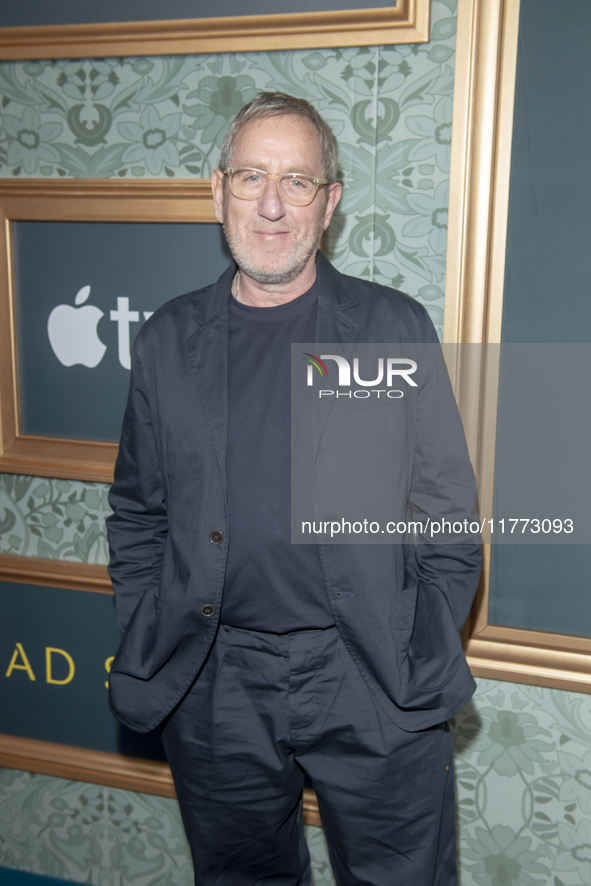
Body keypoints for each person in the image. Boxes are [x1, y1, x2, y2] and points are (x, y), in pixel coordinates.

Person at [107, 92, 482, 886]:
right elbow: (138, 510)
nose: (271, 205)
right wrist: (148, 619)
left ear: (329, 202)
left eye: (298, 182)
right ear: (218, 192)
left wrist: (419, 636)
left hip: (372, 674)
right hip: (214, 683)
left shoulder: (391, 327)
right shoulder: (168, 339)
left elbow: (447, 512)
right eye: (250, 178)